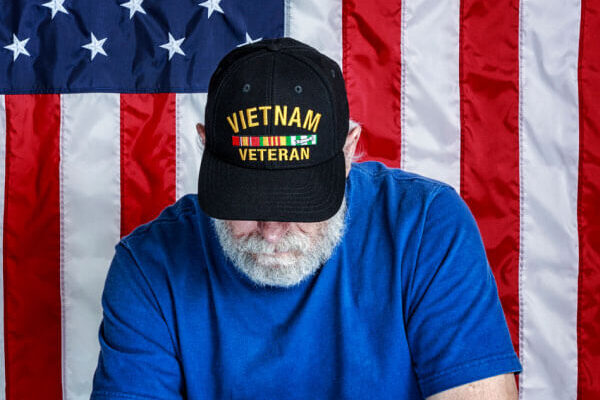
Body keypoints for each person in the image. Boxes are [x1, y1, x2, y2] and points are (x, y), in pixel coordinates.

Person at [91, 38, 521, 399]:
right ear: (205, 146)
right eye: (247, 199)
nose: (272, 230)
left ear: (350, 149)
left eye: (299, 202)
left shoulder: (425, 226)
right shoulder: (148, 265)